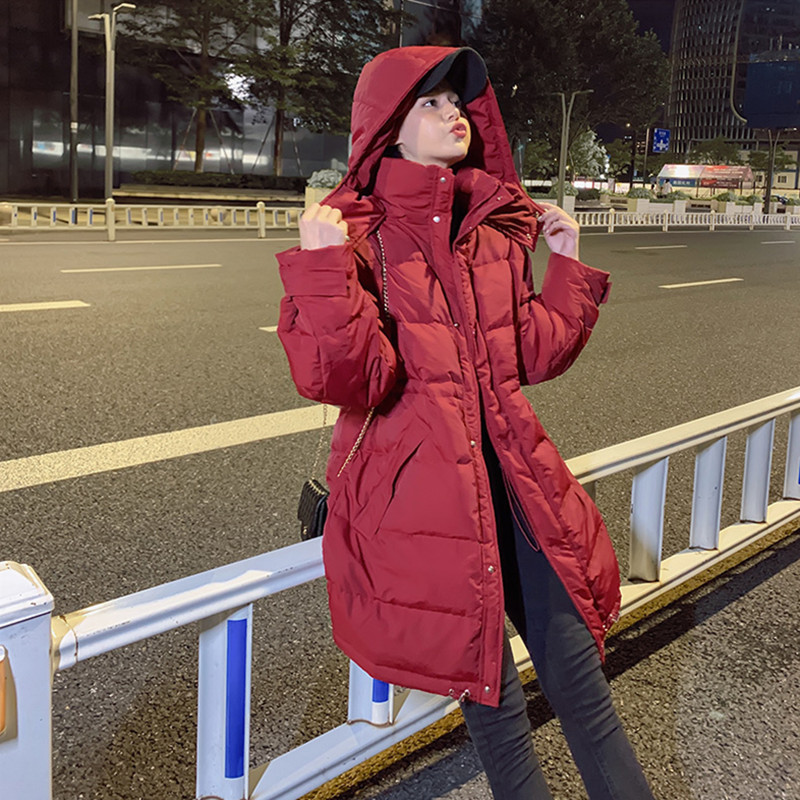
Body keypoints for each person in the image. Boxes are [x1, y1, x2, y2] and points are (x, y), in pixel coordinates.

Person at [276, 46, 655, 800]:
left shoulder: (490, 229)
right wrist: (320, 269)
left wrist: (568, 265)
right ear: (389, 126)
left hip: (516, 484)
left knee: (582, 684)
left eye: (457, 102)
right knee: (498, 716)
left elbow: (533, 355)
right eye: (431, 103)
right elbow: (351, 380)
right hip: (425, 504)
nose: (453, 114)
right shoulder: (354, 235)